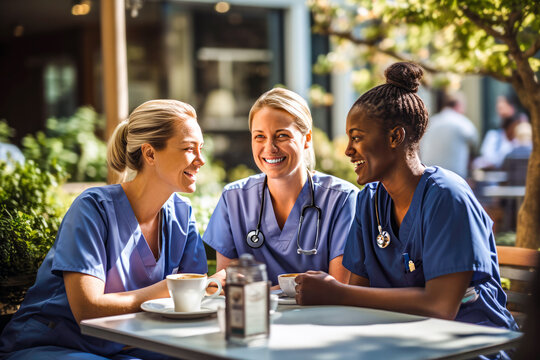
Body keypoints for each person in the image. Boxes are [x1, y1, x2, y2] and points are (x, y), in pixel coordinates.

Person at [295, 63, 517, 335]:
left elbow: (441, 305)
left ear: (395, 137)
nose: (348, 151)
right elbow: (356, 296)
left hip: (471, 343)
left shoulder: (447, 197)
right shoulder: (370, 202)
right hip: (400, 341)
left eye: (357, 138)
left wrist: (336, 293)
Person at [0, 100, 208, 359]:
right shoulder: (93, 208)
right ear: (150, 154)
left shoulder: (182, 215)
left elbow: (196, 298)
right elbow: (86, 309)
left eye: (201, 148)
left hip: (124, 346)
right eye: (189, 149)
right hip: (53, 345)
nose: (201, 160)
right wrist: (166, 290)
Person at [203, 87, 358, 286]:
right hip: (255, 314)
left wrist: (261, 291)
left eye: (282, 136)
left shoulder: (342, 199)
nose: (270, 148)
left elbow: (337, 288)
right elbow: (228, 283)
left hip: (319, 316)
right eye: (260, 136)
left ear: (307, 139)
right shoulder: (234, 198)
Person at [420, 91, 478, 179]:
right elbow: (475, 142)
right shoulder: (462, 122)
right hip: (455, 177)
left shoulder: (431, 122)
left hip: (429, 176)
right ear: (458, 105)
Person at [473, 95, 527, 170]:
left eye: (502, 107)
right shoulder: (495, 134)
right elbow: (488, 156)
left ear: (512, 108)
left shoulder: (521, 128)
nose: (500, 111)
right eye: (499, 108)